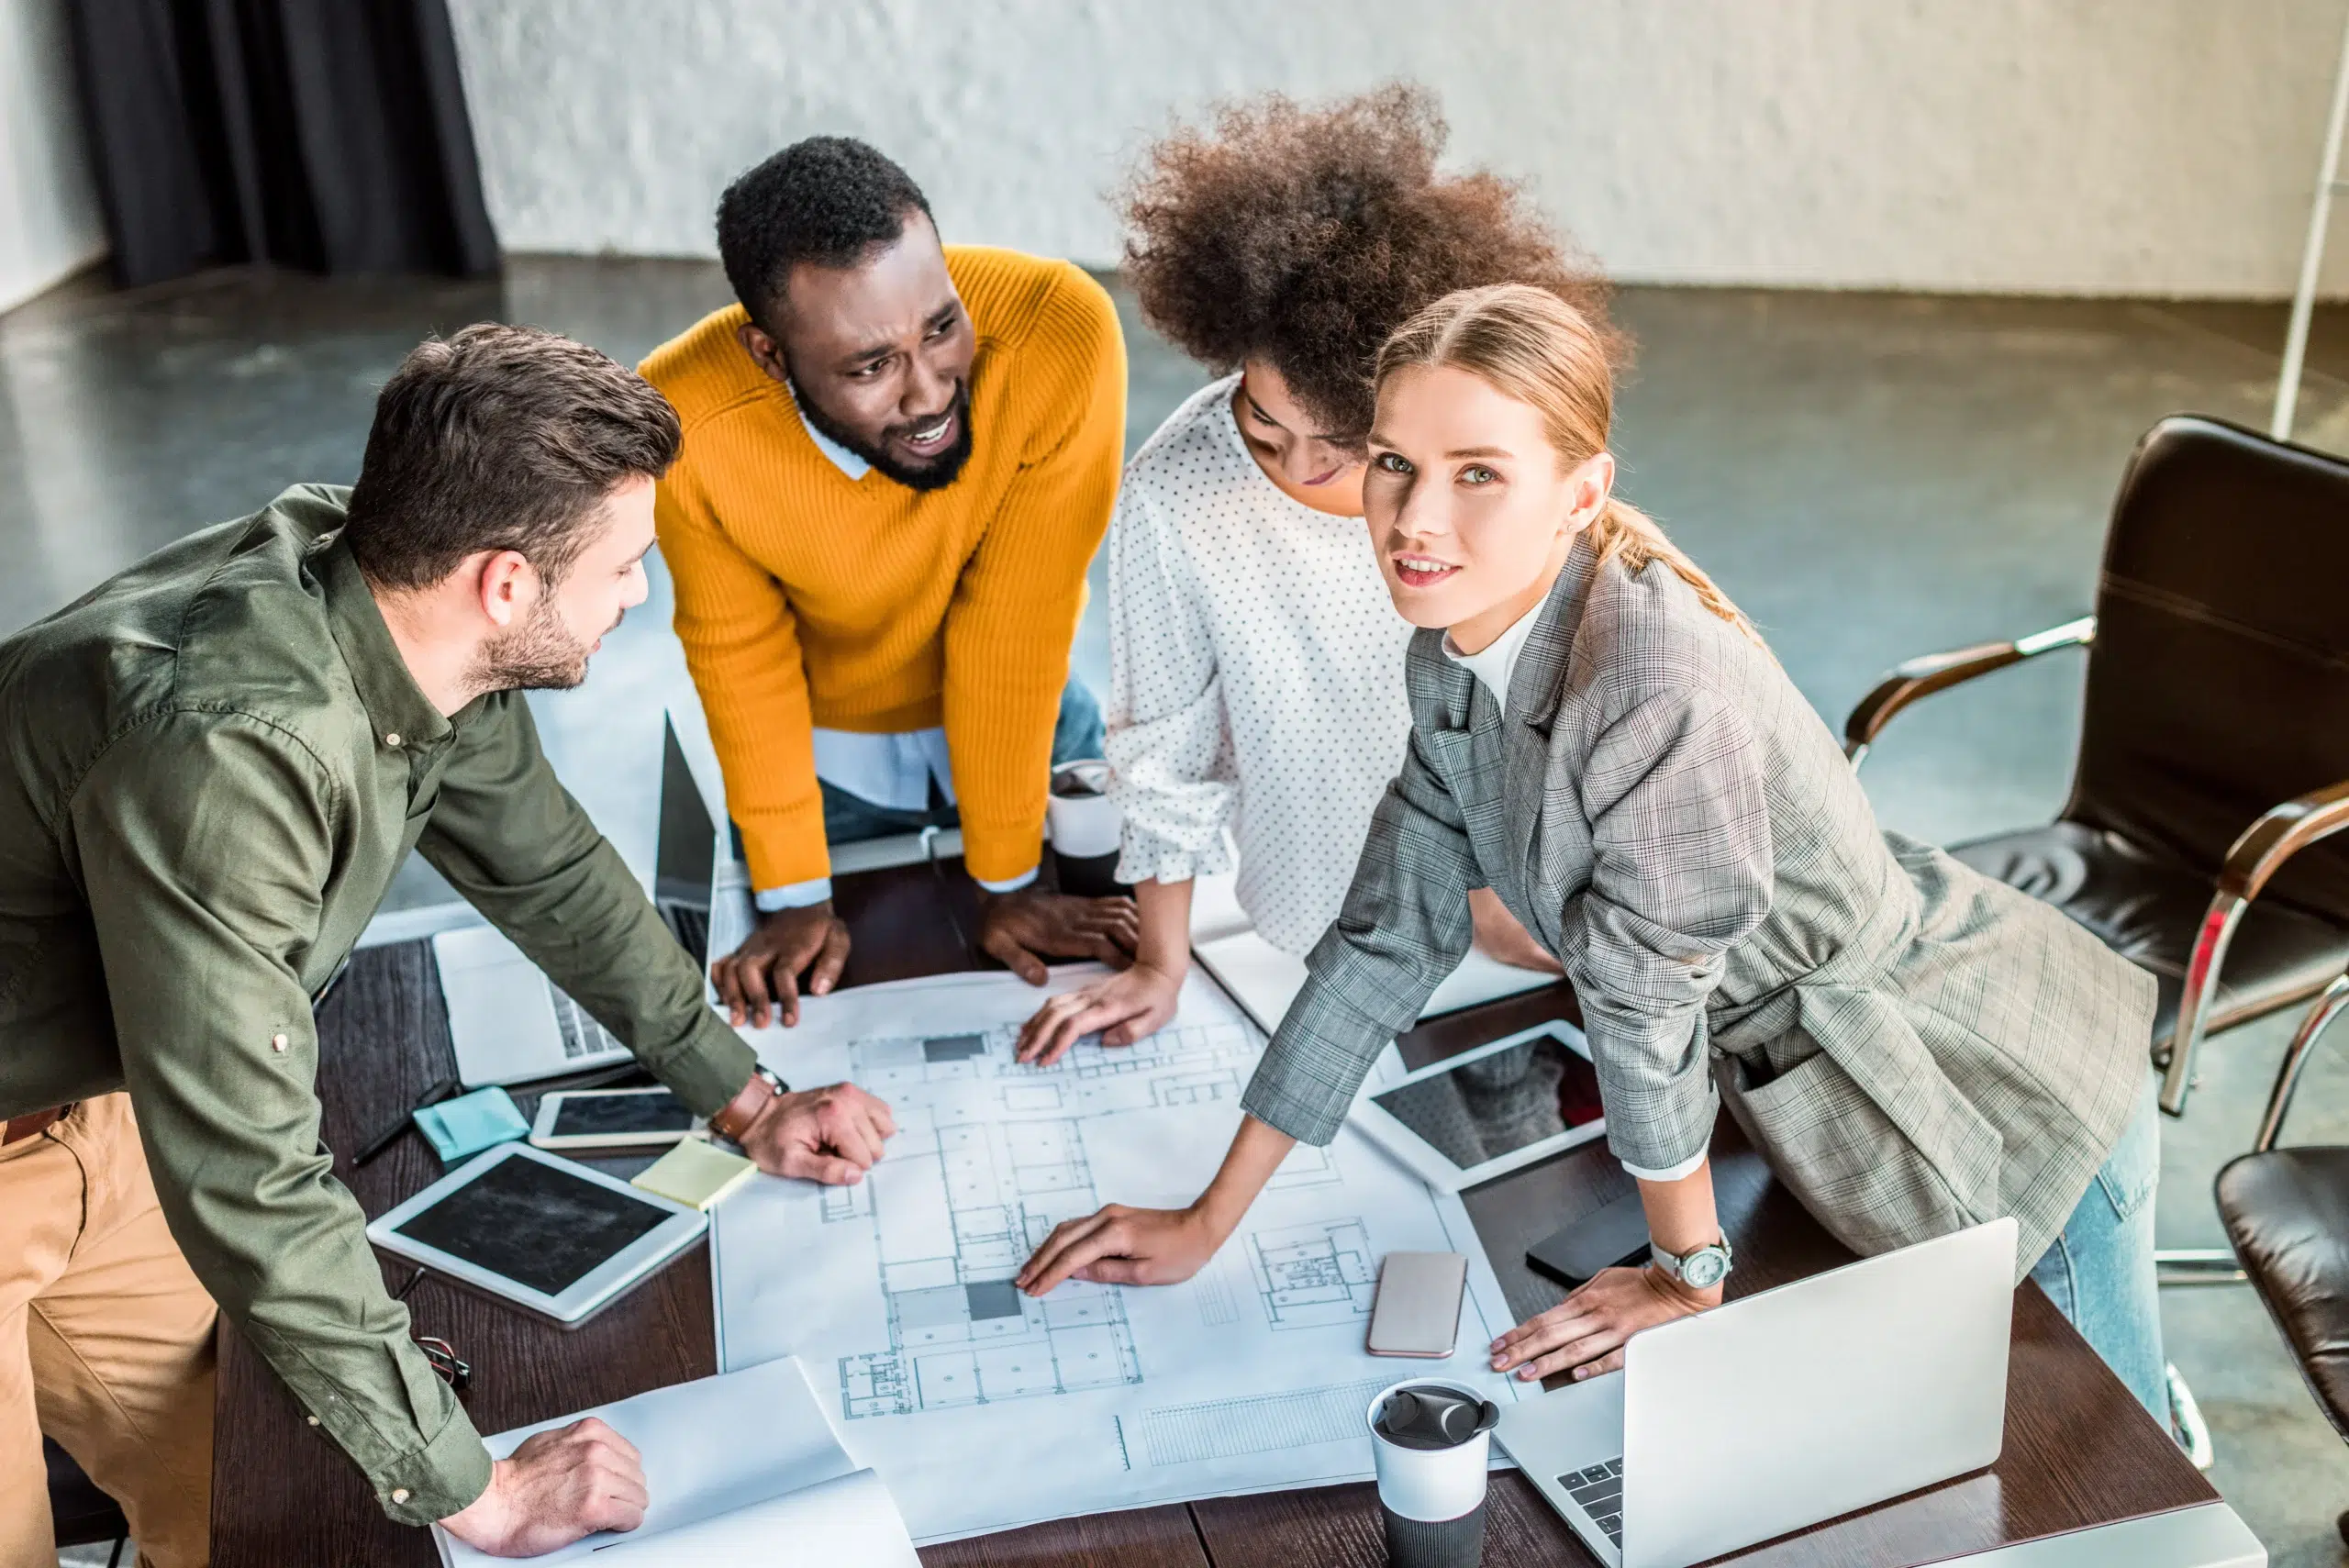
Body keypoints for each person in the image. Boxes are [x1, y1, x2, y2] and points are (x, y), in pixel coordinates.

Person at [1017, 284, 2169, 1423]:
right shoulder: (1453, 646)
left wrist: (1685, 1276)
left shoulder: (1650, 684)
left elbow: (1641, 1002)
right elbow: (1381, 939)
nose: (1415, 518)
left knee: (2109, 1467)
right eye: (1393, 462)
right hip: (1823, 1095)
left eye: (1477, 472)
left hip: (1980, 1103)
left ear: (1581, 492)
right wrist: (1206, 1219)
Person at [0, 325, 896, 1562]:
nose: (642, 593)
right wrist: (483, 1492)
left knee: (230, 1501)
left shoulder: (396, 601)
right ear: (508, 583)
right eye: (627, 565)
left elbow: (552, 871)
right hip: (73, 1135)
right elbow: (248, 1174)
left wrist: (743, 1100)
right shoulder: (231, 751)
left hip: (89, 1117)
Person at [1017, 86, 1578, 1065]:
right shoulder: (1175, 493)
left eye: (1350, 443)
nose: (1305, 468)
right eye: (1267, 426)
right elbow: (1165, 754)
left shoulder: (1474, 463)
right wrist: (1160, 961)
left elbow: (1536, 681)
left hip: (1520, 904)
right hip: (1318, 903)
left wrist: (1503, 891)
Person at [642, 137, 1137, 1033]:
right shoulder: (686, 421)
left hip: (1033, 721)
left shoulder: (1059, 333)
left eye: (941, 326)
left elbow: (1013, 627)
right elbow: (738, 654)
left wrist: (1009, 879)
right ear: (769, 353)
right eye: (870, 366)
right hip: (825, 763)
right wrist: (794, 889)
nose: (931, 393)